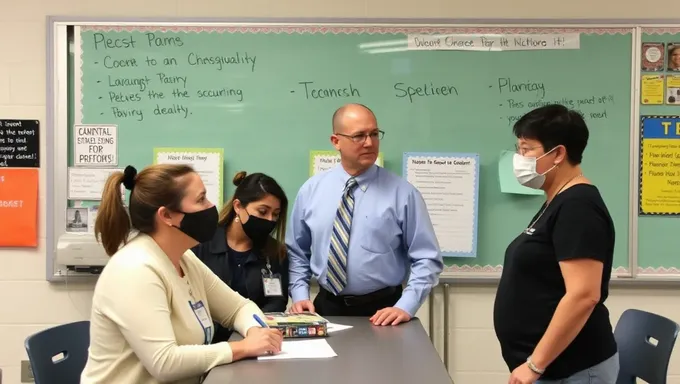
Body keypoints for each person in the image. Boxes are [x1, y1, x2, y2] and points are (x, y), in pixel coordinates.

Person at [80, 164, 283, 384]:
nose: (212, 206)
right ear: (166, 215)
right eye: (201, 200)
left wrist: (255, 332)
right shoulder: (135, 269)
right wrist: (241, 348)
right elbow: (164, 362)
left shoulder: (185, 260)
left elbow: (238, 308)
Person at [492, 104, 619, 384]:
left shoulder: (579, 207)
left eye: (526, 149)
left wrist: (535, 366)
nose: (519, 158)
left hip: (573, 369)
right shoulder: (557, 200)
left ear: (558, 153)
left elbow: (584, 295)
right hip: (555, 368)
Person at [287, 103, 443, 326]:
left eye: (374, 134)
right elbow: (297, 251)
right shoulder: (311, 190)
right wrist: (300, 296)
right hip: (324, 308)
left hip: (383, 311)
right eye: (359, 136)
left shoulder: (403, 194)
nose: (369, 143)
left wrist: (405, 306)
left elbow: (427, 258)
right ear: (336, 141)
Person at [192, 171, 289, 343]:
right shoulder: (201, 244)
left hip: (253, 339)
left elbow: (276, 302)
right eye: (262, 211)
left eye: (275, 214)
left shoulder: (275, 252)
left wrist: (251, 328)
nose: (269, 220)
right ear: (238, 206)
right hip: (205, 343)